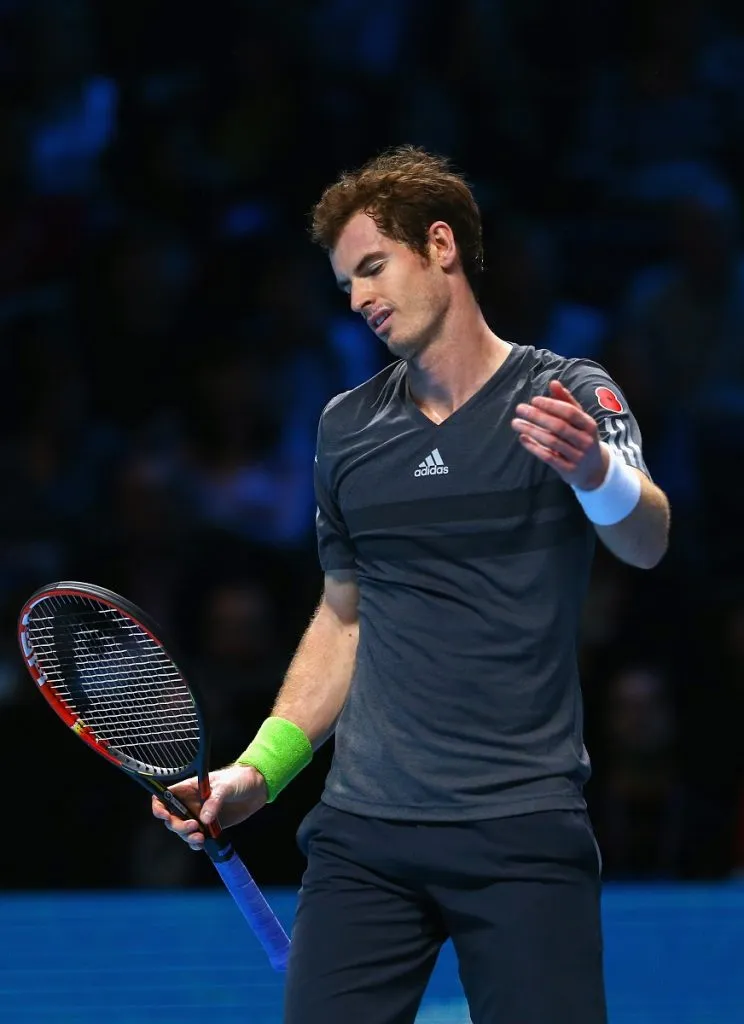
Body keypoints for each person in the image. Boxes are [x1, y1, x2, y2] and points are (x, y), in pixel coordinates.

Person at [152, 146, 671, 1023]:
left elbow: (647, 540)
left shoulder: (568, 393)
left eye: (371, 267)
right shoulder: (348, 428)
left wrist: (594, 474)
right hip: (366, 835)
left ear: (440, 246)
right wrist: (255, 776)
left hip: (521, 826)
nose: (357, 299)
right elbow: (343, 620)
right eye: (344, 283)